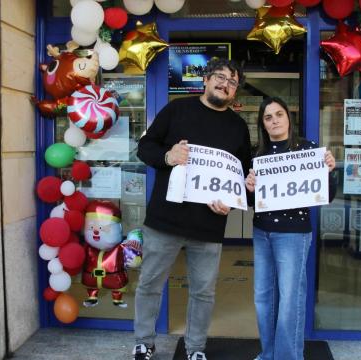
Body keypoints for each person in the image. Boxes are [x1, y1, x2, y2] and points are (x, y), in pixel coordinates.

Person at [133, 59, 251, 360]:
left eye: (232, 82)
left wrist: (233, 202)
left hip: (209, 226)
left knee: (203, 293)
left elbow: (242, 175)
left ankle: (196, 348)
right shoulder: (177, 109)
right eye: (220, 77)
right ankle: (144, 342)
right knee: (150, 284)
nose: (225, 84)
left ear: (235, 91)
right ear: (206, 80)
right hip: (164, 221)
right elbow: (145, 147)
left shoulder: (238, 127)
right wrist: (169, 155)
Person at [244, 97, 336, 360]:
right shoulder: (258, 155)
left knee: (289, 300)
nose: (274, 121)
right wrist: (249, 188)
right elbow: (253, 202)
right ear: (263, 124)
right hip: (262, 232)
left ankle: (288, 356)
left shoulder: (308, 149)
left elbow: (326, 195)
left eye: (279, 114)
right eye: (268, 117)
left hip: (293, 235)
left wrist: (329, 171)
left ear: (288, 118)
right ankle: (269, 353)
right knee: (263, 298)